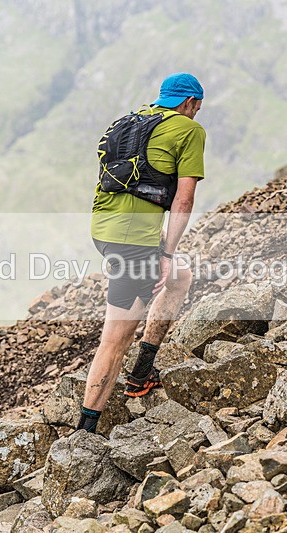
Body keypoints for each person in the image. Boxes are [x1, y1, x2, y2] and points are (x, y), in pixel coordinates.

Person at [78, 73, 206, 433]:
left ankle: (142, 370)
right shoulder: (189, 129)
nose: (196, 113)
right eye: (197, 107)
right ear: (190, 103)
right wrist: (165, 252)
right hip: (134, 244)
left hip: (102, 229)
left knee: (181, 278)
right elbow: (184, 198)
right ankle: (83, 436)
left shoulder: (133, 121)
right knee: (115, 340)